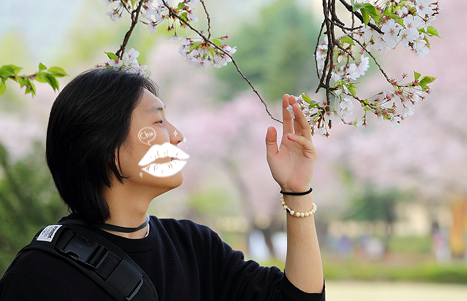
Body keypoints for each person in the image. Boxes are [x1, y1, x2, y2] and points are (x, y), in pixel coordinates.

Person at [0, 67, 325, 300]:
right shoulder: (39, 276)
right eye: (158, 121)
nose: (177, 135)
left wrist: (296, 190)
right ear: (107, 148)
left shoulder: (194, 247)